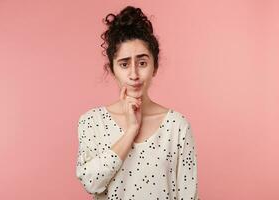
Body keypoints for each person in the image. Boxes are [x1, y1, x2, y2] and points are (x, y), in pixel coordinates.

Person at [76, 5, 199, 200]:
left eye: (142, 63)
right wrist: (131, 130)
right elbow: (91, 182)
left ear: (155, 67)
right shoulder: (92, 122)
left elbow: (188, 195)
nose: (134, 74)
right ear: (113, 70)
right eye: (124, 64)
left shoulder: (177, 126)